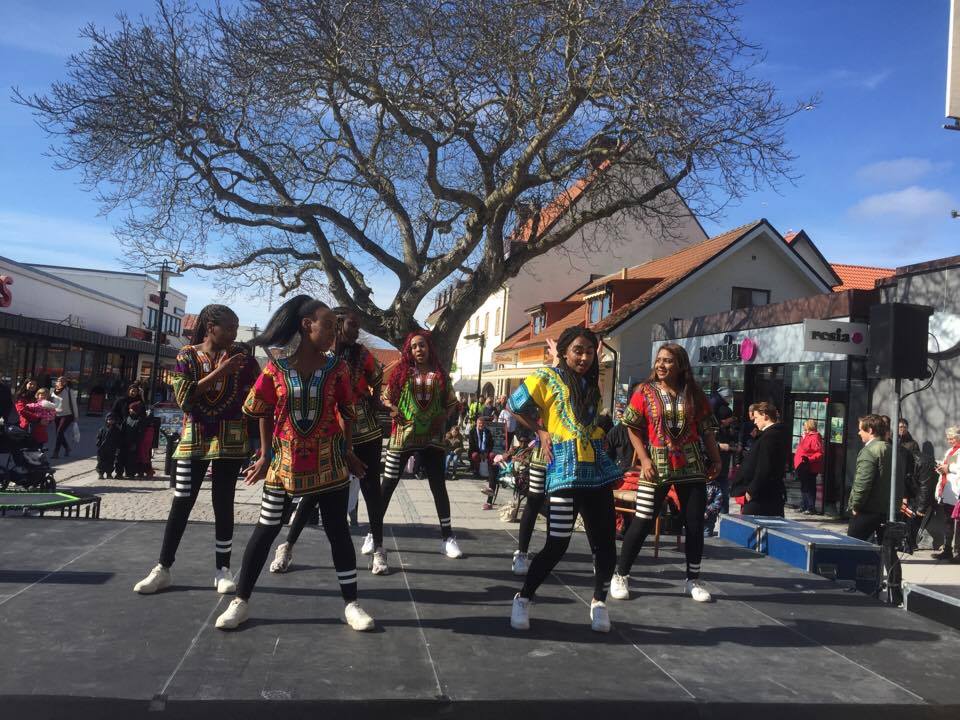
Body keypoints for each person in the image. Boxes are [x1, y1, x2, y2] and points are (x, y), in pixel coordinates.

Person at [214, 296, 373, 631]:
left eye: (335, 327)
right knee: (266, 529)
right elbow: (260, 409)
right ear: (306, 325)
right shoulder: (277, 369)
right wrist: (265, 455)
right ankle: (240, 601)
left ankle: (352, 604)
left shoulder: (337, 369)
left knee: (338, 531)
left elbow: (347, 412)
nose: (333, 333)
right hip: (283, 464)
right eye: (327, 325)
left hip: (329, 462)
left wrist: (348, 451)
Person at [133, 304, 260, 596]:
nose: (233, 333)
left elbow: (260, 396)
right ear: (210, 327)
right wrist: (221, 371)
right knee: (182, 500)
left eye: (236, 327)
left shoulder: (244, 361)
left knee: (223, 501)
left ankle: (222, 569)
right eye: (229, 327)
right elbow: (185, 398)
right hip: (194, 437)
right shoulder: (187, 355)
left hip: (231, 439)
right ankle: (163, 567)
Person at [508, 327, 622, 632]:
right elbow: (514, 405)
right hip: (564, 472)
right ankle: (523, 597)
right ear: (564, 352)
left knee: (606, 544)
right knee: (557, 543)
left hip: (596, 472)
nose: (584, 357)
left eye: (589, 351)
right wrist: (540, 430)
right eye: (578, 351)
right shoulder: (546, 376)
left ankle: (599, 602)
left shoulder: (591, 383)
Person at [269, 306, 389, 577]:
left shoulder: (361, 354)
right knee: (314, 490)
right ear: (337, 325)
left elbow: (378, 375)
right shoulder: (321, 356)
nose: (356, 331)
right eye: (352, 325)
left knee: (371, 488)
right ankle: (287, 546)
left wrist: (373, 399)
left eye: (357, 326)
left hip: (364, 428)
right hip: (329, 429)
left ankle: (379, 547)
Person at [610, 344, 721, 604]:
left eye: (668, 361)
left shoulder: (694, 393)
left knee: (694, 523)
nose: (661, 365)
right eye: (659, 360)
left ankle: (693, 579)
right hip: (656, 466)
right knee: (643, 520)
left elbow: (707, 431)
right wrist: (644, 459)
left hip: (691, 465)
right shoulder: (644, 391)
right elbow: (632, 427)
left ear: (681, 365)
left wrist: (716, 458)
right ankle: (621, 574)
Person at [380, 330, 463, 559]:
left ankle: (448, 537)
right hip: (402, 436)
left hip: (432, 438)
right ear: (409, 350)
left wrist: (444, 416)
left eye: (422, 345)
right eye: (414, 346)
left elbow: (452, 402)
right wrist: (392, 409)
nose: (419, 349)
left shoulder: (440, 375)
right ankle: (373, 533)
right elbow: (385, 397)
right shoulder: (401, 373)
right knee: (388, 484)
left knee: (438, 486)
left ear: (429, 348)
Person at [847, 414, 900, 540]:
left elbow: (863, 483)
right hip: (888, 510)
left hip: (868, 510)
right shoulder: (892, 450)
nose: (859, 433)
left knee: (853, 544)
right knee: (885, 548)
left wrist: (856, 505)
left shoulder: (870, 451)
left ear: (870, 430)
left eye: (861, 429)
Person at [731, 402, 789, 517]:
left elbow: (764, 466)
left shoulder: (770, 436)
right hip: (765, 494)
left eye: (757, 417)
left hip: (762, 496)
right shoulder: (769, 435)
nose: (755, 422)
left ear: (765, 416)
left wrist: (751, 491)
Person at [933, 426, 960, 561]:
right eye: (948, 439)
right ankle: (947, 550)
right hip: (947, 491)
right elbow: (947, 468)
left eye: (952, 438)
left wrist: (948, 467)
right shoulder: (950, 451)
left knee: (958, 523)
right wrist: (940, 467)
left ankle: (958, 553)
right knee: (947, 522)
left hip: (957, 492)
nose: (949, 441)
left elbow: (956, 468)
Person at [112, 384, 144, 477]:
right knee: (120, 452)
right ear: (128, 390)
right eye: (132, 390)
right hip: (121, 430)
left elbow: (143, 415)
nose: (133, 393)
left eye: (135, 391)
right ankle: (119, 472)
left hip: (134, 431)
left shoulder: (139, 402)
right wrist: (118, 423)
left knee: (132, 453)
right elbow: (113, 413)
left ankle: (130, 472)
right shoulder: (121, 400)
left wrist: (136, 417)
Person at [794, 418, 824, 514]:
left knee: (809, 487)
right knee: (804, 486)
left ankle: (810, 507)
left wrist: (809, 459)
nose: (804, 427)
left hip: (809, 466)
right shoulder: (806, 436)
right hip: (802, 465)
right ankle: (804, 505)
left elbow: (819, 453)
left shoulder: (815, 437)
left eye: (805, 425)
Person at [51, 377, 79, 458]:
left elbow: (74, 404)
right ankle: (67, 447)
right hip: (57, 415)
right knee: (58, 433)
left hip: (67, 415)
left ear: (66, 382)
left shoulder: (69, 391)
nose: (61, 382)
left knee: (59, 432)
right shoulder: (53, 391)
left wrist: (76, 416)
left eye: (63, 381)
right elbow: (52, 403)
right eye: (59, 380)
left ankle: (56, 452)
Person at [121, 400, 147, 478]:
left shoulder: (139, 420)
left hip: (134, 442)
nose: (129, 410)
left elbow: (140, 434)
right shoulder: (128, 418)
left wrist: (135, 443)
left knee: (132, 458)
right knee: (126, 458)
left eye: (131, 409)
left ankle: (132, 472)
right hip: (126, 441)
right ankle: (128, 472)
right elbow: (123, 429)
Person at [96, 413, 122, 479]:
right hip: (102, 449)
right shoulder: (102, 429)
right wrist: (98, 444)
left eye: (112, 420)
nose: (111, 421)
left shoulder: (116, 430)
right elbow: (99, 438)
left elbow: (119, 440)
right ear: (106, 420)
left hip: (112, 449)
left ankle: (109, 473)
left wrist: (118, 448)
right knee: (101, 462)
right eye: (109, 419)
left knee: (110, 462)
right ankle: (101, 474)